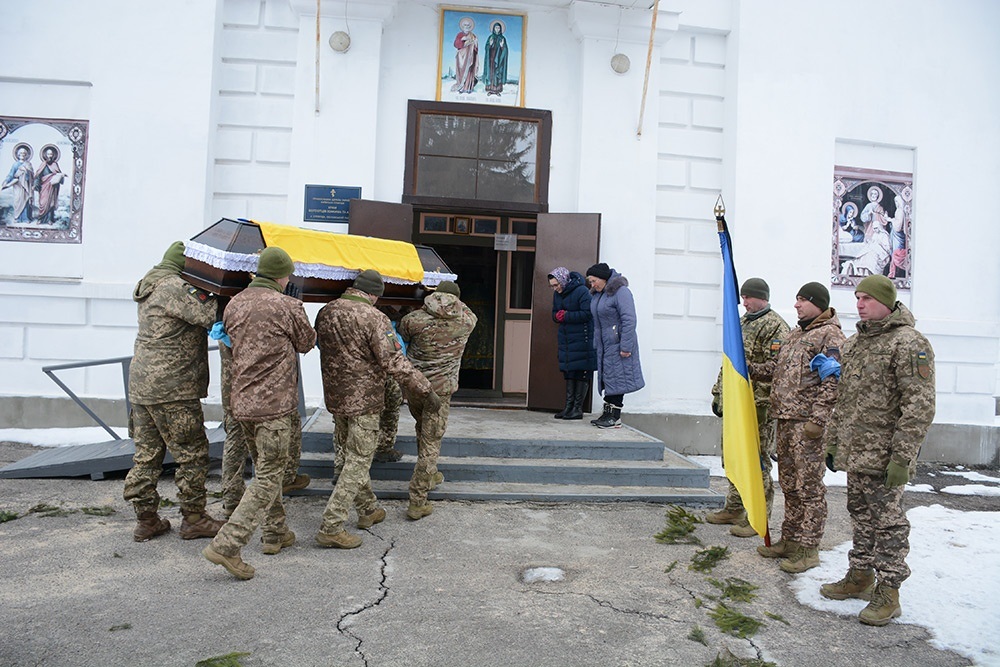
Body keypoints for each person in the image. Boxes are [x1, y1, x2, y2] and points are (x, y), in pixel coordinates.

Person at [820, 275, 935, 626]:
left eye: (867, 298)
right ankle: (860, 575)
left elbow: (919, 405)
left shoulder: (909, 343)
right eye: (857, 297)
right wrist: (834, 441)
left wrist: (902, 457)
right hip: (857, 452)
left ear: (887, 301)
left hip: (886, 455)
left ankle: (889, 591)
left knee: (888, 523)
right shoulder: (855, 344)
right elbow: (845, 401)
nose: (859, 304)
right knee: (860, 514)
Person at [204, 247, 316, 580]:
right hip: (273, 408)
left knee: (267, 468)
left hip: (242, 405)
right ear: (284, 276)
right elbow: (307, 343)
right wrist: (297, 308)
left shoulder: (235, 303)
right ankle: (227, 544)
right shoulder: (288, 305)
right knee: (269, 478)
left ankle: (275, 532)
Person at [314, 270, 439, 548]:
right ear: (374, 294)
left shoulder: (326, 311)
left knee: (351, 454)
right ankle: (331, 525)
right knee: (358, 461)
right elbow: (393, 360)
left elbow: (318, 344)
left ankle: (369, 509)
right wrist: (424, 389)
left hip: (336, 398)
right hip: (364, 400)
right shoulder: (373, 317)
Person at [123, 241, 224, 542]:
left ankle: (146, 519)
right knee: (192, 454)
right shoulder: (175, 287)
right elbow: (211, 315)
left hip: (143, 386)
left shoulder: (151, 284)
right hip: (173, 386)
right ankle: (194, 519)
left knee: (146, 455)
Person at [753, 282, 846, 573]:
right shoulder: (794, 334)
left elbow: (833, 382)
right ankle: (790, 539)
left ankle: (809, 548)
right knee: (790, 486)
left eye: (803, 300)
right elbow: (776, 371)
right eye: (796, 300)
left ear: (818, 303)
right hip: (785, 420)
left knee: (809, 488)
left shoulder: (830, 336)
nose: (797, 305)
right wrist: (748, 367)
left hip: (808, 425)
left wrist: (818, 421)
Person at [707, 278, 790, 537]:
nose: (744, 302)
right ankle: (734, 507)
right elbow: (729, 363)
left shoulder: (775, 326)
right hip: (737, 403)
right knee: (733, 455)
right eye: (742, 297)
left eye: (749, 298)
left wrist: (756, 386)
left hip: (758, 405)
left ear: (762, 297)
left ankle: (758, 515)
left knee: (756, 460)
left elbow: (778, 368)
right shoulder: (742, 323)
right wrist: (719, 393)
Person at [398, 280, 477, 519]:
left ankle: (429, 474)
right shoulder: (467, 321)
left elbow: (403, 334)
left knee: (422, 428)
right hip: (440, 392)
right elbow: (467, 311)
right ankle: (417, 500)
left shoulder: (414, 319)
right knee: (432, 440)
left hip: (414, 386)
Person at [586, 262, 644, 429]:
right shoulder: (599, 294)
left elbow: (629, 319)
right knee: (609, 378)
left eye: (594, 280)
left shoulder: (621, 292)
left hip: (619, 344)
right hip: (606, 345)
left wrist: (625, 346)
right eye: (590, 281)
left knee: (619, 378)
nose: (592, 284)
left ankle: (615, 417)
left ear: (603, 279)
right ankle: (607, 413)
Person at [548, 267, 596, 421]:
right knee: (569, 372)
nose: (555, 288)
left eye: (556, 285)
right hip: (567, 338)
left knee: (581, 372)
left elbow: (588, 313)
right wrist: (558, 316)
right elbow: (554, 313)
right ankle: (568, 407)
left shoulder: (582, 291)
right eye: (552, 286)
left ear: (563, 281)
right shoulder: (558, 294)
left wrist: (566, 315)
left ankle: (577, 409)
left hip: (583, 337)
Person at [2, 144, 34, 223]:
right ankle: (17, 218)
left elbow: (32, 175)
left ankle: (26, 218)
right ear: (18, 154)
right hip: (17, 186)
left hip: (26, 186)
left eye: (24, 153)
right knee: (18, 201)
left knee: (25, 201)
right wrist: (6, 181)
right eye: (21, 153)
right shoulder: (15, 164)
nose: (22, 154)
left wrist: (26, 171)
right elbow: (11, 175)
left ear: (26, 155)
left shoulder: (28, 164)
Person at [33, 145, 65, 225]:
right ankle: (40, 218)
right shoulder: (43, 164)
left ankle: (50, 219)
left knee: (51, 203)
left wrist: (60, 176)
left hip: (52, 187)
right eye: (48, 154)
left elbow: (59, 174)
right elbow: (38, 175)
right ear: (45, 155)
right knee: (43, 203)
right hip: (43, 186)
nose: (49, 156)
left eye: (51, 154)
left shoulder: (55, 164)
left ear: (53, 155)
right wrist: (36, 184)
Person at [451, 16, 479, 94]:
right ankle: (461, 86)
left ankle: (467, 87)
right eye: (465, 25)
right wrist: (463, 40)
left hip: (470, 57)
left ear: (470, 27)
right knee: (461, 71)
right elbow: (456, 44)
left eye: (468, 25)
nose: (467, 27)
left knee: (469, 71)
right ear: (462, 26)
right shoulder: (459, 35)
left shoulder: (473, 36)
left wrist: (475, 44)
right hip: (461, 57)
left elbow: (476, 48)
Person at [482, 20, 509, 96]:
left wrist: (502, 46)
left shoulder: (502, 38)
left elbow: (505, 50)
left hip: (499, 59)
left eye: (498, 28)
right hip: (491, 59)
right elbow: (486, 48)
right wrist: (489, 45)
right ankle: (490, 89)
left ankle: (497, 90)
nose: (497, 29)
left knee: (497, 73)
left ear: (500, 29)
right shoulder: (490, 37)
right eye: (496, 28)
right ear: (493, 28)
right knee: (491, 73)